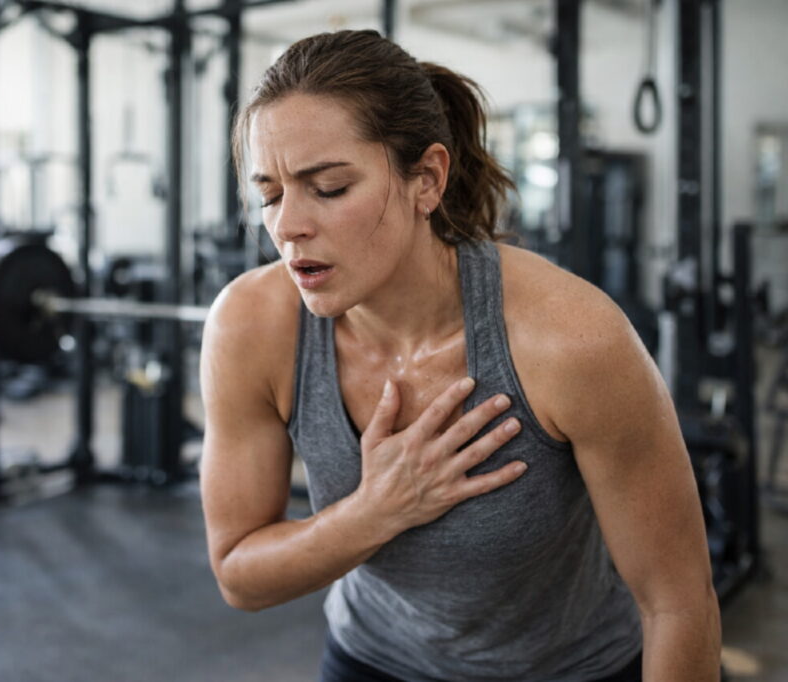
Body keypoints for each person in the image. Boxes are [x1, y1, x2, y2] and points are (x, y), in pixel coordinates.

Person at [199, 29, 721, 682]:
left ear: (427, 179)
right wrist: (376, 510)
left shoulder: (570, 341)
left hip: (574, 668)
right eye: (270, 194)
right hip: (375, 658)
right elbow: (239, 576)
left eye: (328, 188)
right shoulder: (251, 326)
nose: (287, 226)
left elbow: (677, 604)